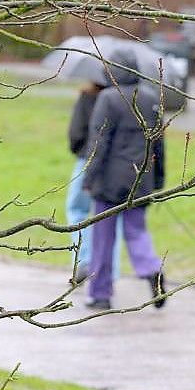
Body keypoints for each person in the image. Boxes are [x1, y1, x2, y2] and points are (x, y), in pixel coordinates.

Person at [83, 49, 167, 310]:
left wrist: (89, 176)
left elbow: (99, 142)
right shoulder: (152, 98)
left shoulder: (108, 98)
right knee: (136, 232)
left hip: (108, 183)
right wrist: (159, 180)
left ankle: (100, 294)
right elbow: (158, 144)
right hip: (141, 179)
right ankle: (152, 269)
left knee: (103, 240)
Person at [66, 83, 122, 283]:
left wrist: (82, 150)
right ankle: (110, 270)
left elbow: (76, 134)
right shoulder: (125, 98)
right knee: (110, 217)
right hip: (115, 165)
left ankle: (84, 260)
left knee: (78, 210)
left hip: (86, 160)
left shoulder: (88, 96)